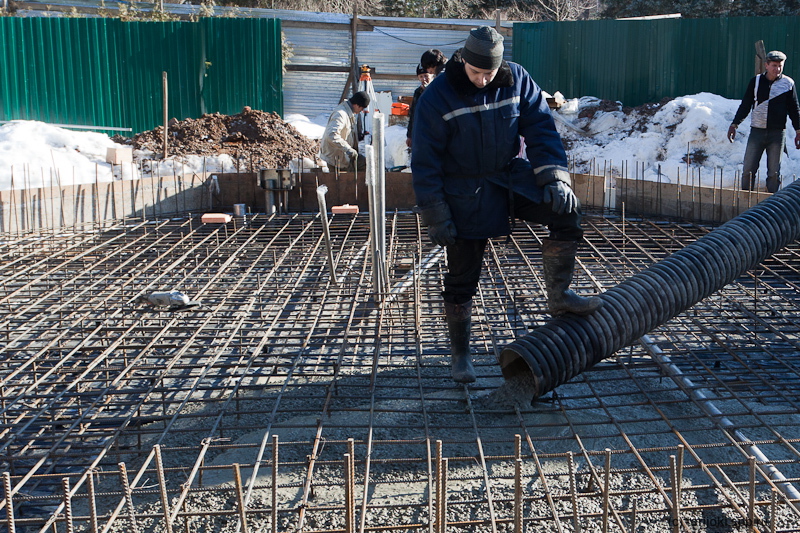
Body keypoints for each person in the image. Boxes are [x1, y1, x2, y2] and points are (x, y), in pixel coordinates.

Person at [411, 26, 602, 384]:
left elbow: (541, 130)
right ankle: (461, 354)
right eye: (476, 73)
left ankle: (559, 296)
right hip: (463, 187)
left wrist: (556, 179)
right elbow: (425, 161)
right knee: (461, 274)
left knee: (566, 210)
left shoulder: (517, 80)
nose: (483, 81)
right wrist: (436, 213)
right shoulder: (437, 96)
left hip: (507, 175)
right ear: (463, 60)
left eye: (489, 73)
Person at [727, 50, 800, 193]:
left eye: (780, 66)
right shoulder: (756, 82)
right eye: (774, 65)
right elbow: (746, 105)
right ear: (766, 65)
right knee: (748, 169)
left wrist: (798, 131)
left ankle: (769, 207)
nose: (777, 69)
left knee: (774, 173)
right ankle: (745, 202)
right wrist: (734, 124)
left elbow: (794, 109)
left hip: (777, 134)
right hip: (757, 132)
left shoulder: (788, 83)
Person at [320, 91, 370, 172]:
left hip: (343, 155)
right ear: (357, 105)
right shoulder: (341, 114)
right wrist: (348, 149)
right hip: (336, 157)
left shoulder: (349, 112)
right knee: (341, 182)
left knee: (366, 164)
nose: (361, 111)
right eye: (361, 108)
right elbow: (331, 135)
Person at [407, 50, 447, 148]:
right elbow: (413, 114)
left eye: (426, 75)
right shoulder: (418, 92)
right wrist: (410, 135)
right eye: (421, 76)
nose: (423, 79)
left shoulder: (440, 81)